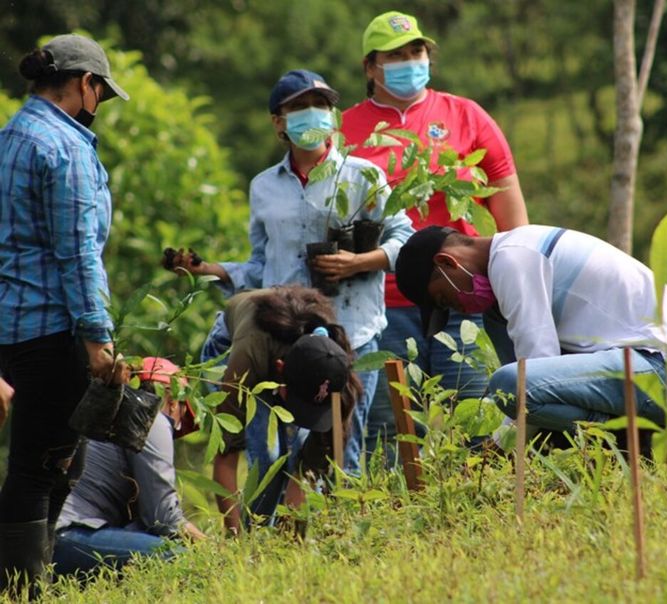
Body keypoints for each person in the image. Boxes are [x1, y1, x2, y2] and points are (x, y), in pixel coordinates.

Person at [165, 69, 411, 524]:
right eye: (299, 108)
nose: (312, 116)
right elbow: (261, 267)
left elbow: (403, 238)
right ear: (278, 122)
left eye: (320, 106)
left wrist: (359, 262)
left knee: (339, 448)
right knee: (269, 449)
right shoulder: (264, 187)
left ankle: (341, 540)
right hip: (282, 337)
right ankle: (269, 539)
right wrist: (208, 270)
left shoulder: (363, 177)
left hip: (348, 335)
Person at [340, 11, 529, 454]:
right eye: (395, 55)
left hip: (465, 294)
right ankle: (399, 517)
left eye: (416, 51)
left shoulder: (466, 116)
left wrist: (514, 284)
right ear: (371, 66)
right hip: (383, 303)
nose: (410, 61)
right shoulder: (346, 130)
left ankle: (485, 507)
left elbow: (511, 216)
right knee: (390, 432)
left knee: (479, 409)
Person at [0, 34, 130, 595]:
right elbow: (77, 252)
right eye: (100, 90)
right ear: (85, 85)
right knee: (41, 466)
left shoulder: (10, 136)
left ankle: (32, 581)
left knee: (52, 463)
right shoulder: (67, 147)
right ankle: (20, 589)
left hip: (10, 326)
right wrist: (97, 337)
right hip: (54, 331)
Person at [394, 225, 667, 448]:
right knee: (517, 391)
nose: (459, 308)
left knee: (508, 384)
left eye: (446, 299)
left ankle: (624, 431)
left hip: (666, 371)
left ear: (447, 262)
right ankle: (619, 433)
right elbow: (534, 395)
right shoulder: (498, 304)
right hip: (638, 369)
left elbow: (529, 375)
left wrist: (498, 445)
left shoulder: (513, 259)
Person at [197, 286, 361, 532]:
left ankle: (280, 537)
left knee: (295, 454)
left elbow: (309, 467)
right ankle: (253, 535)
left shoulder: (332, 366)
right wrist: (236, 538)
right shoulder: (248, 357)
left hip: (291, 364)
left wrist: (291, 538)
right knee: (268, 456)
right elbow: (226, 457)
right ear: (280, 370)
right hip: (230, 347)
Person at [52, 358, 205, 577]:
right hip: (70, 535)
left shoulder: (109, 412)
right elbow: (163, 518)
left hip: (48, 535)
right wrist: (213, 550)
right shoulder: (152, 418)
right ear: (172, 401)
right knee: (182, 558)